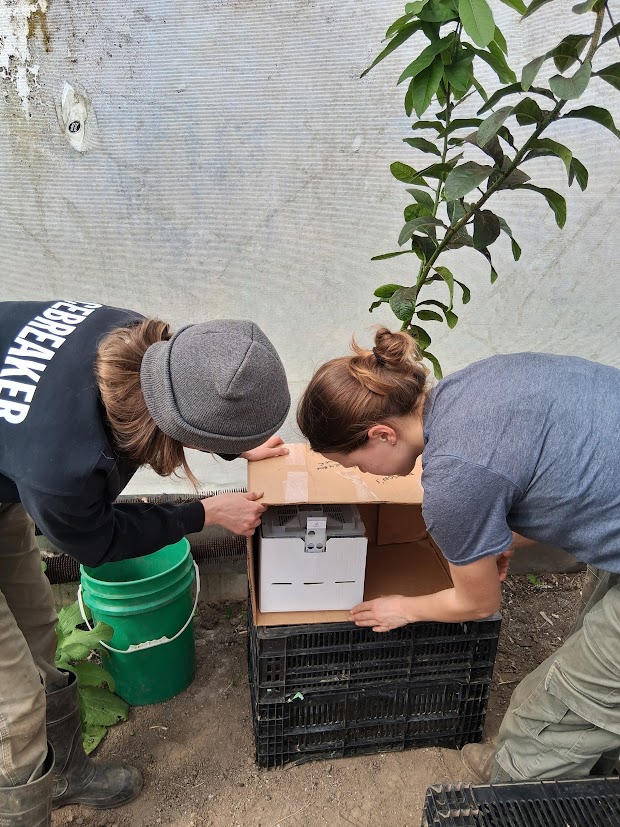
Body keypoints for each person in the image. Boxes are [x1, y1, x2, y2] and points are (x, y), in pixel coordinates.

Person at [0, 300, 290, 823]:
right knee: (14, 708)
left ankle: (63, 776)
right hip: (30, 459)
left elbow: (180, 395)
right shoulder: (65, 470)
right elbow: (99, 542)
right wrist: (204, 513)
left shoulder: (131, 336)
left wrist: (236, 444)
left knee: (39, 633)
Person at [297, 326, 620, 785]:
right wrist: (500, 540)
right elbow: (559, 476)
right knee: (600, 663)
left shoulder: (452, 483)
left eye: (355, 464)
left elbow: (479, 603)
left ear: (382, 434)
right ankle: (596, 768)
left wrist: (404, 608)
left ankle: (522, 781)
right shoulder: (473, 384)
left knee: (553, 714)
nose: (364, 475)